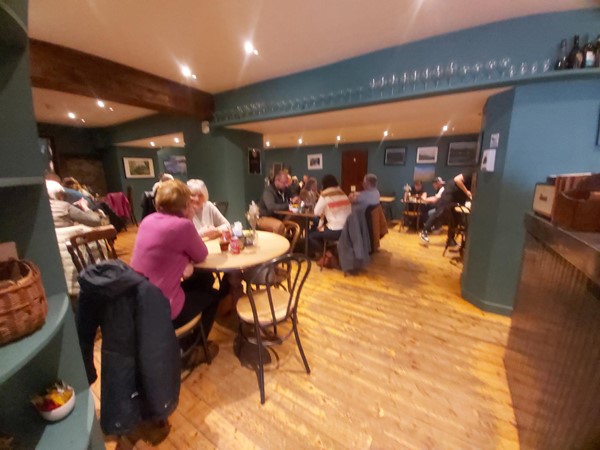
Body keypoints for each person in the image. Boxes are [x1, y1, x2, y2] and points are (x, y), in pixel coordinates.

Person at [130, 179, 221, 361]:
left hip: (138, 304)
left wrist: (185, 261)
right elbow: (201, 254)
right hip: (164, 310)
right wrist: (187, 260)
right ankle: (192, 350)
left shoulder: (147, 221)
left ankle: (189, 334)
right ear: (186, 205)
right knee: (213, 296)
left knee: (204, 279)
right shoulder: (183, 226)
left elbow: (169, 251)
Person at [420, 172, 474, 246]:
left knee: (456, 218)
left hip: (459, 197)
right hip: (450, 193)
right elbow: (457, 179)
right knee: (440, 212)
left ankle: (450, 240)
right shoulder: (471, 173)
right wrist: (467, 192)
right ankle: (424, 231)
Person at [308, 174, 351, 254]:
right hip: (347, 229)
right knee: (317, 227)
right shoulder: (342, 193)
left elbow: (316, 212)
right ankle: (331, 251)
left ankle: (326, 253)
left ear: (324, 184)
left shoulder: (325, 195)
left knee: (311, 236)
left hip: (335, 231)